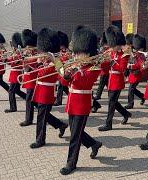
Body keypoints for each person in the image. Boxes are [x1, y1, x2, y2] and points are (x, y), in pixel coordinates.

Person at [60, 25, 102, 175]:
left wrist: (75, 70)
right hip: (71, 103)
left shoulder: (93, 68)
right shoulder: (75, 66)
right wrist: (65, 75)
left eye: (80, 54)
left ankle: (71, 163)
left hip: (82, 105)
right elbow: (65, 83)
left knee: (74, 137)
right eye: (75, 53)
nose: (77, 57)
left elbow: (84, 82)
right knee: (75, 132)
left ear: (89, 53)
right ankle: (94, 143)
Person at [29, 28, 68, 148]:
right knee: (44, 115)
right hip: (39, 90)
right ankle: (60, 125)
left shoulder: (56, 61)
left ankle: (40, 139)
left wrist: (39, 62)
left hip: (47, 92)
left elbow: (43, 73)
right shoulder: (48, 60)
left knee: (41, 117)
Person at [98, 25, 132, 131]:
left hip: (117, 81)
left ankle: (108, 124)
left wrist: (111, 61)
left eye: (116, 45)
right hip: (110, 80)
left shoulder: (124, 55)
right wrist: (101, 61)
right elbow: (106, 66)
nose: (114, 47)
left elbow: (122, 68)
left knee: (111, 103)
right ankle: (126, 114)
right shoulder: (110, 52)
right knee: (113, 102)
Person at [19, 29, 39, 127]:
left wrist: (28, 59)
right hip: (28, 78)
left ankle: (28, 119)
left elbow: (36, 66)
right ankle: (58, 123)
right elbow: (24, 66)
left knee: (29, 100)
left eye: (28, 46)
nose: (26, 47)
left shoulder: (36, 53)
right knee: (32, 101)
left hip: (33, 78)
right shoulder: (27, 52)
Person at [4, 32, 27, 113]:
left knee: (11, 91)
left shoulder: (19, 54)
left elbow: (15, 63)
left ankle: (13, 107)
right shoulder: (17, 53)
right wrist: (6, 59)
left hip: (16, 75)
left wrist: (7, 60)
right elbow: (11, 62)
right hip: (15, 74)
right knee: (17, 91)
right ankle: (31, 100)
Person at [125, 34, 146, 109]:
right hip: (132, 73)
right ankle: (143, 97)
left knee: (131, 89)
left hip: (137, 74)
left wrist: (131, 66)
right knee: (133, 89)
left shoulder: (141, 55)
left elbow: (139, 65)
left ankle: (130, 103)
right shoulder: (135, 53)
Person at [54, 31, 71, 106]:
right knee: (62, 86)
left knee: (62, 86)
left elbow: (69, 61)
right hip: (61, 70)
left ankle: (59, 100)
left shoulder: (68, 52)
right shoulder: (60, 51)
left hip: (66, 71)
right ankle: (59, 100)